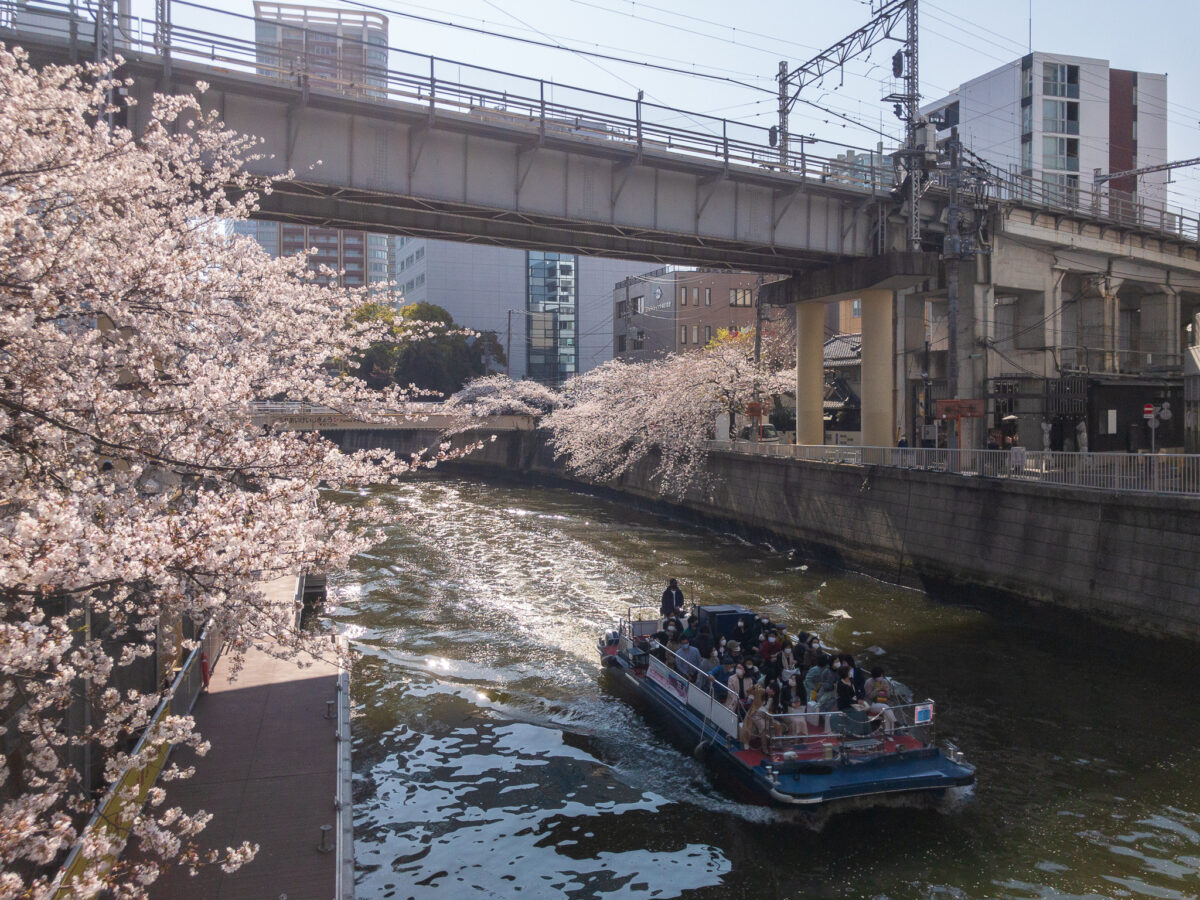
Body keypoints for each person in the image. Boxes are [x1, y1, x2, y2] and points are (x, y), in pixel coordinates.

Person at [862, 666, 898, 734]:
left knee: (886, 711)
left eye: (882, 676)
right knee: (886, 708)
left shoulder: (884, 681)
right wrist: (878, 689)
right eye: (880, 676)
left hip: (882, 701)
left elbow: (888, 696)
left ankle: (889, 733)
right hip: (871, 704)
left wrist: (886, 691)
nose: (881, 677)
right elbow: (869, 696)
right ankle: (895, 722)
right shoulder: (868, 682)